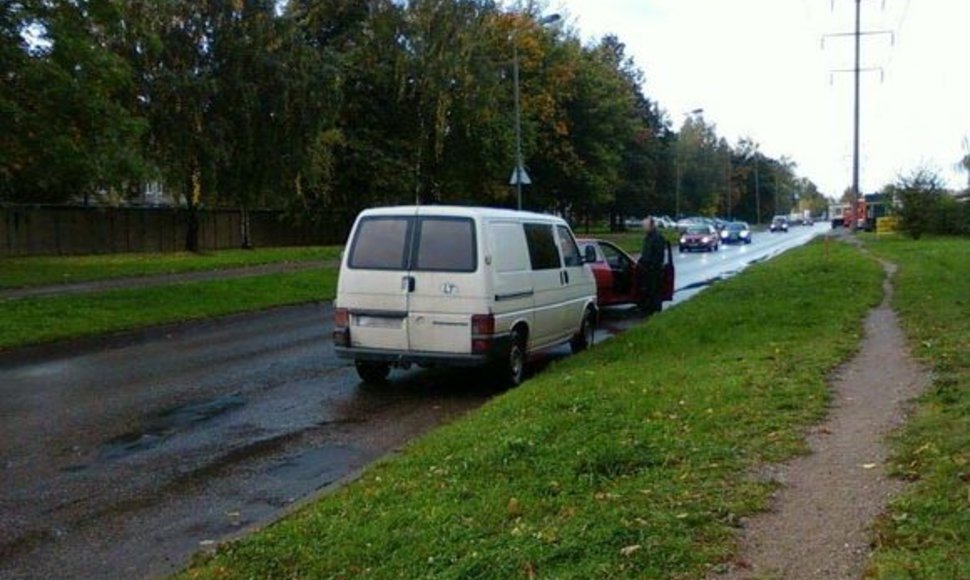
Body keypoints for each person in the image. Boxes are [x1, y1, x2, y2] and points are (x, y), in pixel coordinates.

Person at [637, 217, 665, 314]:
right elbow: (645, 253)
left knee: (655, 291)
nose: (643, 228)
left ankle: (656, 312)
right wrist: (640, 262)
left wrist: (652, 266)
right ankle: (648, 310)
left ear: (651, 226)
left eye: (645, 226)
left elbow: (659, 255)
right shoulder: (647, 237)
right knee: (647, 291)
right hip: (646, 269)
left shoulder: (658, 237)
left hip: (654, 271)